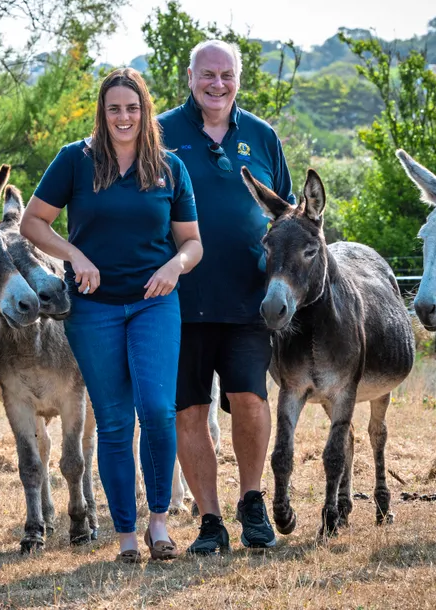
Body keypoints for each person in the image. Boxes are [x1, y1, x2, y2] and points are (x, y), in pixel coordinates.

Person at [20, 67, 202, 563]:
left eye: (133, 107)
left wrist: (173, 267)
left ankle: (159, 523)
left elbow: (192, 244)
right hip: (93, 309)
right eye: (114, 108)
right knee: (116, 423)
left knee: (159, 414)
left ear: (145, 111)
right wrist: (73, 256)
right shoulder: (74, 161)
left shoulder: (169, 168)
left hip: (154, 303)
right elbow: (32, 222)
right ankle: (125, 534)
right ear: (102, 113)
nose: (124, 116)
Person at [157, 40, 294, 553]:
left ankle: (252, 504)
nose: (218, 84)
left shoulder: (262, 136)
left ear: (239, 78)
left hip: (249, 301)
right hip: (177, 299)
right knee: (189, 411)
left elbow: (287, 213)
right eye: (208, 74)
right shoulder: (161, 132)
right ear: (190, 76)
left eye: (227, 75)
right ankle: (211, 522)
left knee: (251, 400)